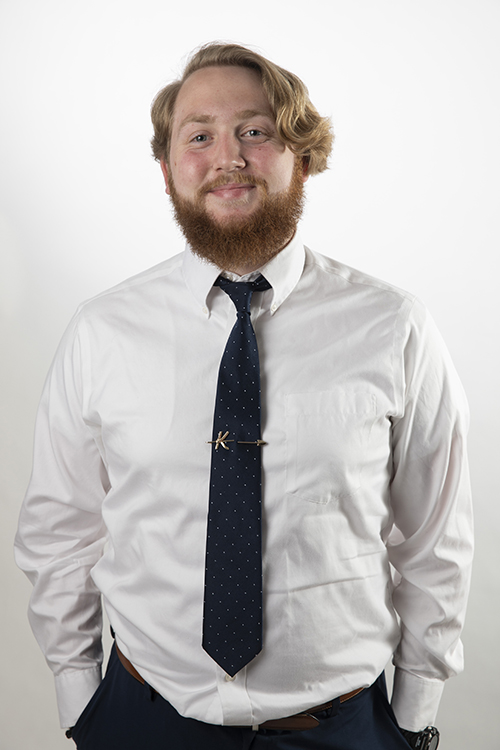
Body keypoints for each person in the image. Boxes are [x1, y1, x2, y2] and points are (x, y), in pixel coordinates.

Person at [15, 43, 472, 750]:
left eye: (254, 131)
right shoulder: (102, 330)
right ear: (168, 170)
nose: (228, 156)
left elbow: (436, 536)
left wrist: (413, 715)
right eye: (199, 136)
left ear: (303, 154)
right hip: (143, 722)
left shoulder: (394, 326)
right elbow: (61, 529)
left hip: (343, 730)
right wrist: (81, 699)